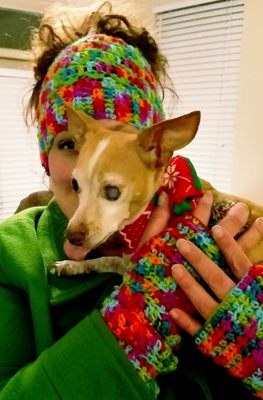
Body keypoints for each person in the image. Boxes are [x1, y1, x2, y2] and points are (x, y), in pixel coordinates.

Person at [0, 2, 262, 399]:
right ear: (45, 156)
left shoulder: (225, 228)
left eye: (117, 145)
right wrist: (134, 321)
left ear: (156, 154)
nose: (90, 166)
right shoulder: (10, 255)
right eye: (70, 142)